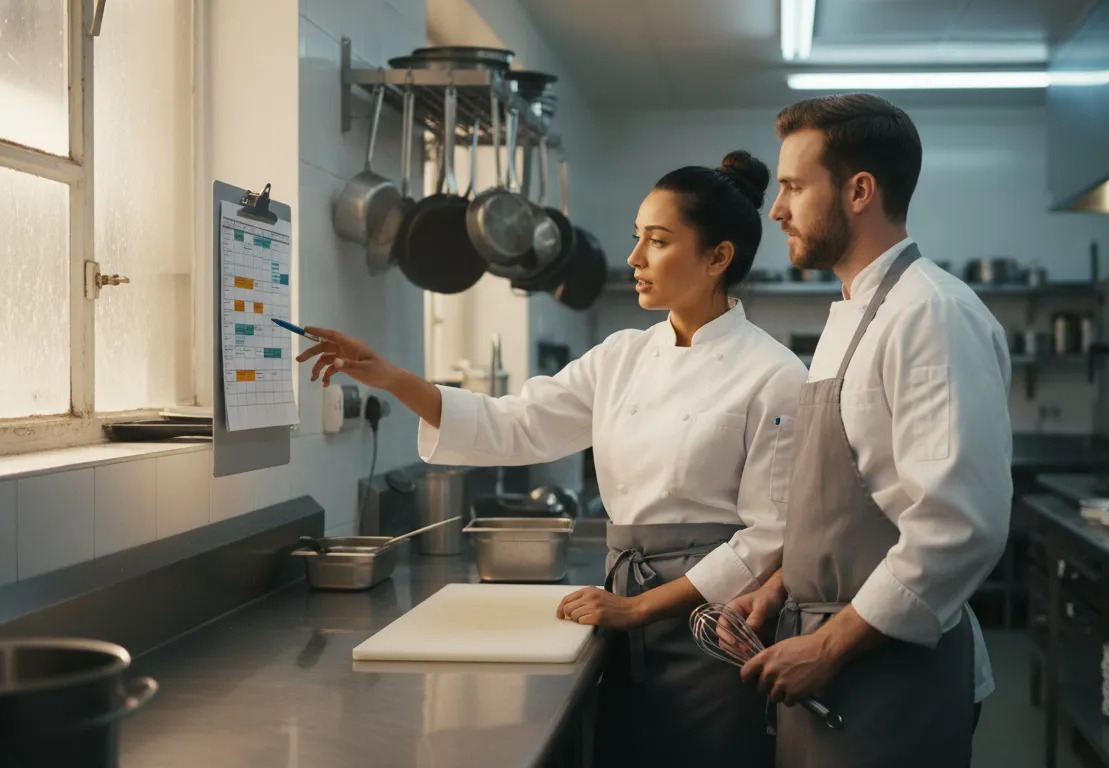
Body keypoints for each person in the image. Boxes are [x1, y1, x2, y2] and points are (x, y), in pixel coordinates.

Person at [298, 150, 805, 768]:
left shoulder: (775, 374)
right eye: (637, 238)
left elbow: (769, 535)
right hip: (625, 616)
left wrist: (641, 606)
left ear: (718, 257)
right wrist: (393, 379)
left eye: (658, 241)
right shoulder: (622, 355)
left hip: (711, 624)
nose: (635, 259)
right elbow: (517, 425)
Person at [729, 94, 1013, 767]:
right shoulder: (857, 313)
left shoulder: (931, 315)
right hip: (826, 664)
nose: (775, 209)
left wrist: (828, 645)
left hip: (886, 673)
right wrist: (781, 586)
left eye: (795, 187)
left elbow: (959, 526)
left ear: (859, 191)